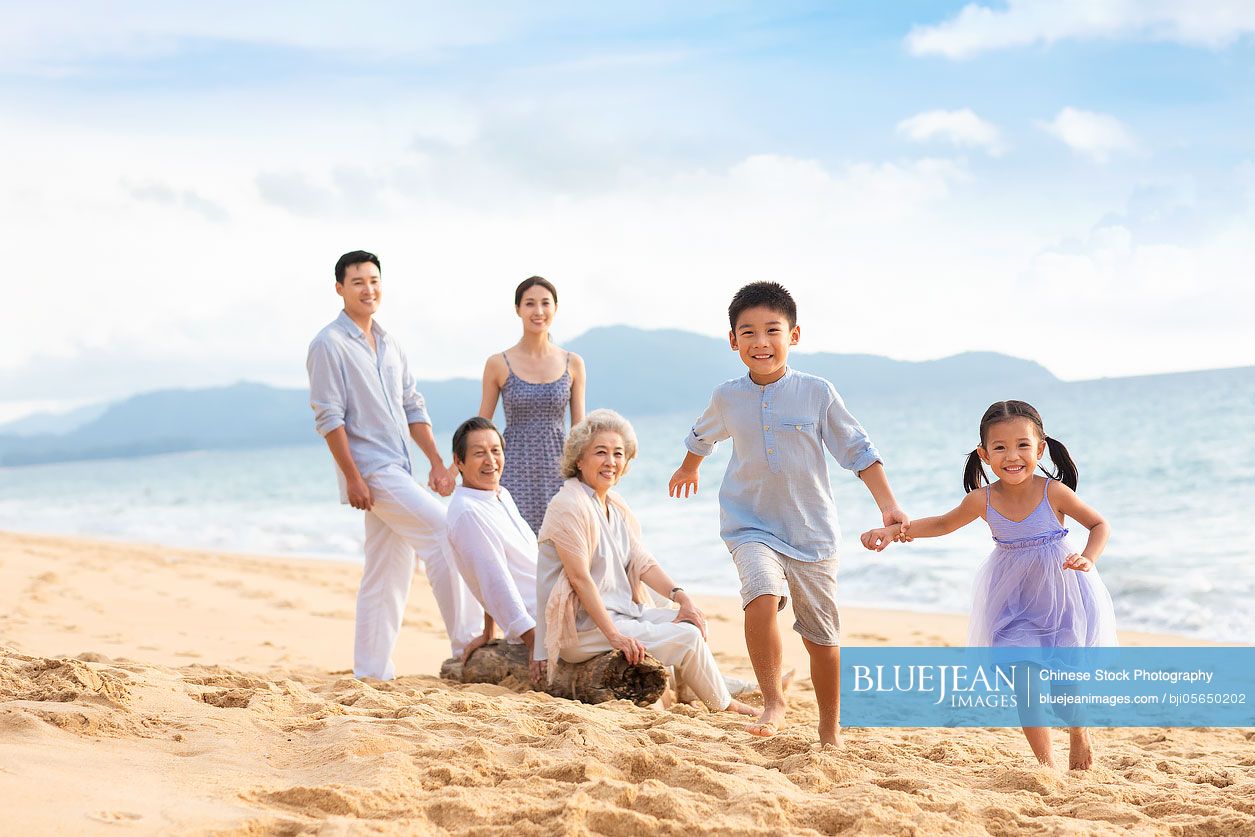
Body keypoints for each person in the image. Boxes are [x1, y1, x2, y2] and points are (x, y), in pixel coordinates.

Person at [668, 281, 910, 746]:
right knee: (760, 598)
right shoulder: (727, 396)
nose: (761, 342)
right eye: (748, 332)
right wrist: (687, 467)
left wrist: (888, 505)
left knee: (823, 638)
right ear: (733, 340)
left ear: (794, 336)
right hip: (749, 523)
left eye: (772, 331)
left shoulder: (817, 392)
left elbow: (858, 451)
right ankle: (773, 699)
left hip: (812, 533)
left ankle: (829, 728)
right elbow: (702, 436)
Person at [860, 399, 1116, 770]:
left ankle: (1078, 733)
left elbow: (1099, 525)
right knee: (1024, 683)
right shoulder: (982, 499)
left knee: (1064, 694)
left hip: (1063, 599)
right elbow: (942, 524)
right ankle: (1047, 766)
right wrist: (893, 530)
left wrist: (1088, 558)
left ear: (1040, 448)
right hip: (1013, 604)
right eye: (1000, 447)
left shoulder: (1053, 492)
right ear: (984, 454)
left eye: (1023, 445)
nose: (1012, 456)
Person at [306, 250, 483, 680]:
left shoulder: (390, 343)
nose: (368, 289)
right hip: (372, 472)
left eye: (374, 280)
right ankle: (467, 644)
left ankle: (370, 672)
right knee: (446, 530)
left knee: (386, 571)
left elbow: (412, 405)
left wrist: (439, 462)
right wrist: (352, 477)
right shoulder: (327, 345)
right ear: (339, 289)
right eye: (358, 282)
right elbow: (329, 418)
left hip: (398, 467)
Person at [535, 409, 757, 716]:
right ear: (579, 458)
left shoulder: (614, 504)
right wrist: (615, 635)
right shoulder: (568, 504)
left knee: (688, 621)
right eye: (601, 452)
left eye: (618, 454)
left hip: (619, 614)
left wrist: (682, 598)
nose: (610, 461)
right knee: (689, 639)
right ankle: (727, 706)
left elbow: (643, 562)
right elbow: (579, 578)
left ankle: (693, 688)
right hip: (582, 629)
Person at [478, 276, 586, 533]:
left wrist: (585, 476)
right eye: (529, 304)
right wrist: (456, 468)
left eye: (545, 303)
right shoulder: (498, 363)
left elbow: (579, 430)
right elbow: (482, 426)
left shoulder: (573, 363)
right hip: (513, 467)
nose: (538, 311)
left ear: (555, 308)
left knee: (561, 542)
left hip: (559, 467)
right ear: (518, 310)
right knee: (517, 544)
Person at [445, 416, 540, 666]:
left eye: (495, 451)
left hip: (555, 597)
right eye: (479, 453)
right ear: (458, 461)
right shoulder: (467, 513)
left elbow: (501, 565)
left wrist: (489, 631)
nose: (490, 461)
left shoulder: (499, 494)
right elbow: (494, 579)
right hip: (541, 618)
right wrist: (533, 642)